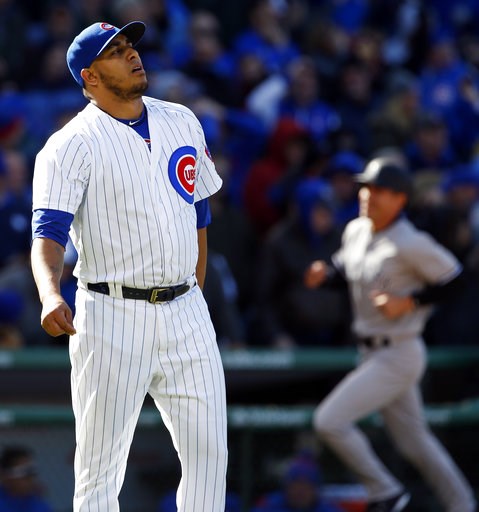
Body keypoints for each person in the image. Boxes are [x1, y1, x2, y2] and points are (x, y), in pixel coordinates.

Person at [30, 20, 228, 512]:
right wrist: (51, 294)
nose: (132, 54)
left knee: (210, 456)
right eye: (115, 52)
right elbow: (48, 235)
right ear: (90, 77)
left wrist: (195, 294)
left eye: (129, 45)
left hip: (185, 309)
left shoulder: (181, 118)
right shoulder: (70, 144)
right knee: (100, 470)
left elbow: (198, 211)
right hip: (112, 312)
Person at [304, 156, 476, 512]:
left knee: (329, 421)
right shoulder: (357, 229)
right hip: (372, 351)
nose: (368, 195)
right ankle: (463, 504)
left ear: (400, 199)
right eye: (365, 187)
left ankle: (385, 492)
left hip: (399, 352)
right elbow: (345, 268)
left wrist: (410, 302)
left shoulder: (410, 241)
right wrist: (326, 274)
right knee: (416, 444)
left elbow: (457, 280)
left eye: (379, 190)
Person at [251, 451, 344, 512]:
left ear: (315, 489)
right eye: (295, 485)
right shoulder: (270, 506)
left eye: (305, 487)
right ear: (286, 487)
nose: (300, 492)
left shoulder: (327, 509)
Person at [0, 445, 53, 512]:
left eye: (32, 472)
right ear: (5, 475)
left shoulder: (38, 505)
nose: (31, 478)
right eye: (24, 473)